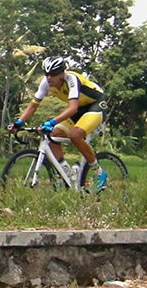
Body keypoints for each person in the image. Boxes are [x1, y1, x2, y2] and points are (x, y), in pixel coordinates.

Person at [7, 56, 107, 189]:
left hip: (95, 105)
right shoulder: (46, 83)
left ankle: (98, 171)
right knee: (53, 134)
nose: (49, 78)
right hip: (79, 110)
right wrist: (18, 123)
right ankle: (63, 170)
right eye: (47, 74)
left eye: (53, 74)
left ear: (62, 74)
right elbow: (33, 106)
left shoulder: (71, 79)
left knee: (75, 135)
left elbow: (72, 108)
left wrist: (52, 121)